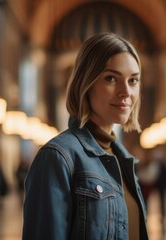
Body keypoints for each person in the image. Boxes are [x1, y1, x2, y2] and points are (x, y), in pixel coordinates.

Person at [23, 32, 149, 240]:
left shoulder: (123, 159)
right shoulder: (57, 157)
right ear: (86, 83)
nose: (126, 91)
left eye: (133, 80)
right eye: (111, 78)